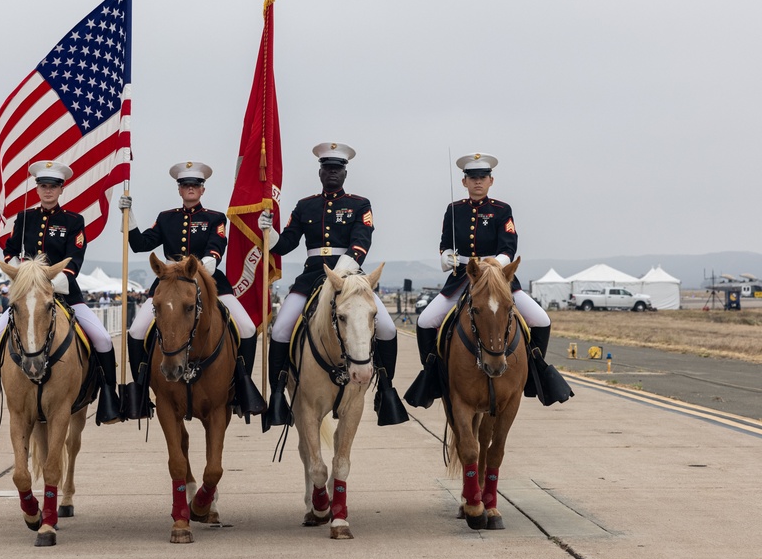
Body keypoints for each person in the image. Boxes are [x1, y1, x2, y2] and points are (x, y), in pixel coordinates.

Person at [258, 142, 407, 430]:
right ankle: (278, 395)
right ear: (320, 172)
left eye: (337, 169)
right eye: (327, 168)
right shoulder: (305, 205)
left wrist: (343, 270)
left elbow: (362, 240)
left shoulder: (359, 204)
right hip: (311, 276)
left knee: (387, 328)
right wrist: (270, 232)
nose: (332, 173)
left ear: (344, 173)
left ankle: (386, 390)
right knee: (280, 330)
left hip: (350, 277)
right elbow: (287, 244)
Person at [408, 152, 573, 408]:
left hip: (497, 279)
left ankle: (535, 372)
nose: (477, 182)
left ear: (491, 181)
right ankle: (431, 376)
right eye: (472, 178)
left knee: (541, 319)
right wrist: (445, 257)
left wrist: (494, 269)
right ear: (464, 182)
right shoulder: (453, 210)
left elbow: (508, 248)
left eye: (482, 177)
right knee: (425, 321)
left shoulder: (501, 210)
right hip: (462, 279)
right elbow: (444, 244)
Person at [0, 160, 121, 430]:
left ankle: (109, 398)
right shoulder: (25, 218)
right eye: (43, 186)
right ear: (37, 188)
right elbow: (9, 249)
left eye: (53, 186)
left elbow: (75, 258)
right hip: (29, 296)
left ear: (61, 189)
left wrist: (60, 280)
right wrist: (19, 270)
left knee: (102, 340)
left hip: (66, 294)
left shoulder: (73, 221)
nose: (48, 191)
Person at [118, 161, 263, 421]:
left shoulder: (215, 218)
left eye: (195, 185)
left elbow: (217, 244)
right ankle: (139, 392)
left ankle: (242, 388)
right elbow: (141, 244)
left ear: (202, 189)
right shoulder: (166, 218)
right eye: (185, 185)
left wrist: (206, 264)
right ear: (180, 190)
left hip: (209, 279)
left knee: (247, 328)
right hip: (170, 282)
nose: (190, 189)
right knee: (137, 330)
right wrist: (129, 219)